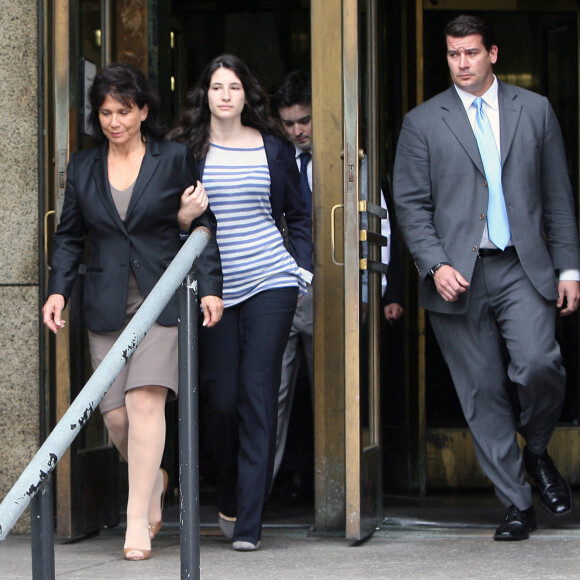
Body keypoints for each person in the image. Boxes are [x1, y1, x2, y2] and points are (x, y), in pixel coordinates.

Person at [393, 14, 580, 541]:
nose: (462, 63)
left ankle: (538, 451)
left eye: (471, 53)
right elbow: (410, 205)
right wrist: (435, 263)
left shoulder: (534, 110)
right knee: (482, 394)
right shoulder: (422, 122)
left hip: (524, 265)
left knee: (540, 366)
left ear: (492, 53)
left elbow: (558, 195)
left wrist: (570, 267)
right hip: (458, 275)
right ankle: (517, 504)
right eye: (453, 54)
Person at [42, 63, 223, 560]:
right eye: (105, 112)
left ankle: (136, 519)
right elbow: (69, 238)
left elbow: (202, 221)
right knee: (117, 417)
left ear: (143, 111)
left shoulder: (173, 158)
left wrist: (208, 287)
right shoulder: (82, 168)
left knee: (147, 402)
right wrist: (59, 290)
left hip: (160, 295)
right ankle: (157, 479)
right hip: (105, 301)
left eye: (124, 111)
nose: (114, 121)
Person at [169, 54, 313, 551]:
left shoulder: (272, 148)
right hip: (213, 291)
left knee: (258, 395)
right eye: (216, 87)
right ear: (205, 95)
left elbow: (299, 212)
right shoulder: (187, 149)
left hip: (272, 281)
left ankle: (249, 523)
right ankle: (228, 494)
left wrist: (302, 268)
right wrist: (183, 221)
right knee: (222, 403)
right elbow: (164, 219)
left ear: (246, 94)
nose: (225, 95)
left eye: (233, 86)